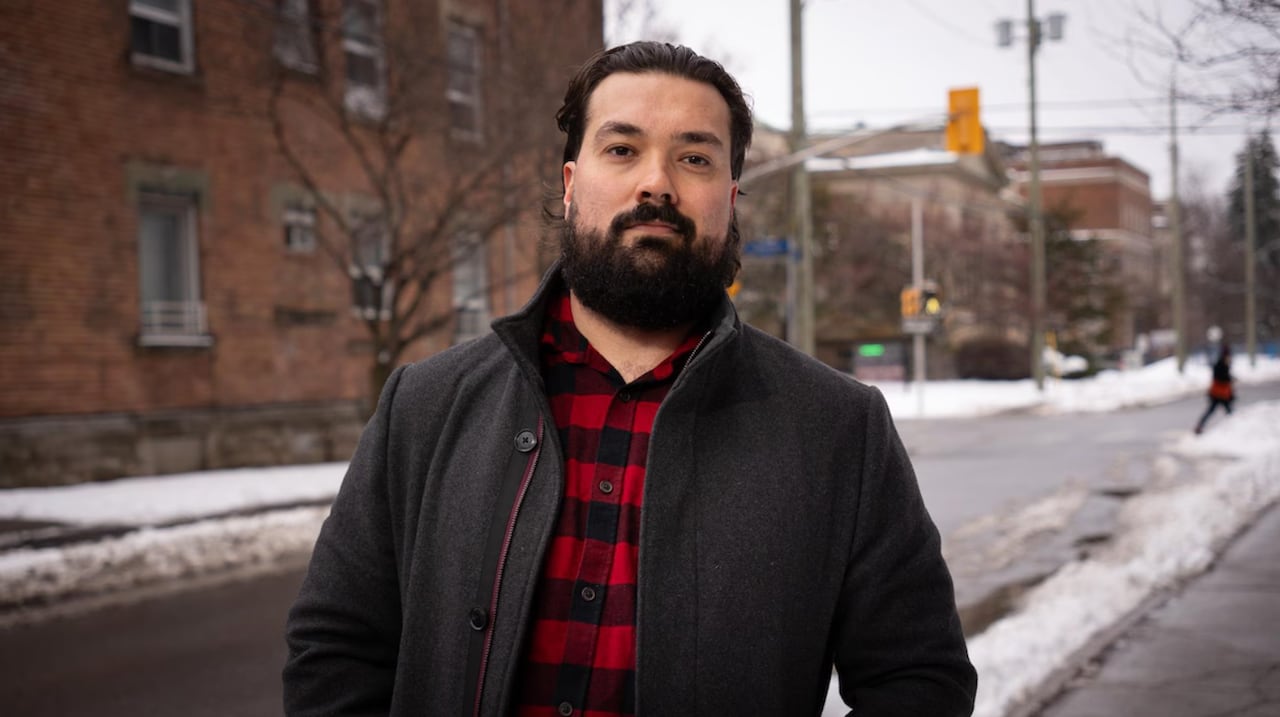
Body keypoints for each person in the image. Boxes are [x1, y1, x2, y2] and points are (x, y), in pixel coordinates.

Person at [283, 41, 976, 717]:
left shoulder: (838, 430)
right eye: (622, 149)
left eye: (694, 157)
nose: (657, 182)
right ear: (570, 181)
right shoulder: (425, 407)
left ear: (730, 198)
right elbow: (336, 651)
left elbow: (920, 678)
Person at [1195, 343, 1235, 434]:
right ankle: (1199, 426)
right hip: (1218, 393)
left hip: (1221, 394)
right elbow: (1221, 378)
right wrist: (1229, 378)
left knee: (1226, 411)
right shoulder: (1221, 364)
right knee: (1217, 411)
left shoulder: (1224, 364)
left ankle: (1200, 426)